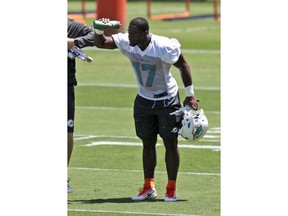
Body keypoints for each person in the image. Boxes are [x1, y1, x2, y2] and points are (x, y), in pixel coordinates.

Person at [94, 17, 199, 202]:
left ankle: (171, 188)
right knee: (147, 143)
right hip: (143, 100)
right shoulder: (128, 41)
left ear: (145, 33)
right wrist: (98, 30)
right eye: (129, 31)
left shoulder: (162, 46)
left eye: (134, 33)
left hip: (167, 100)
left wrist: (190, 94)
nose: (129, 35)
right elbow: (101, 43)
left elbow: (183, 64)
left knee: (170, 143)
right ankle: (149, 186)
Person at [67, 17, 95, 193]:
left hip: (65, 84)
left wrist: (74, 42)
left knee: (67, 131)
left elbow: (92, 35)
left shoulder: (68, 25)